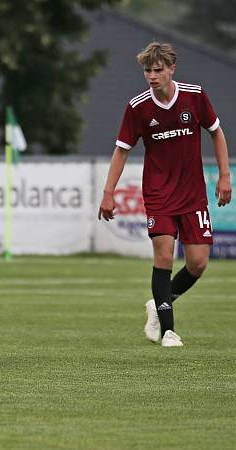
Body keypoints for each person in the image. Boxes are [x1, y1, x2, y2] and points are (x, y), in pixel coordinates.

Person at [98, 42, 231, 348]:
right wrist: (108, 192)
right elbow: (121, 151)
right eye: (148, 70)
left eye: (158, 70)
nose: (152, 76)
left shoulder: (194, 96)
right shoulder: (138, 107)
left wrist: (225, 176)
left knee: (198, 263)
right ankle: (168, 331)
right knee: (164, 255)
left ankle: (159, 302)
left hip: (193, 193)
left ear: (172, 68)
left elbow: (216, 132)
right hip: (158, 193)